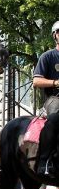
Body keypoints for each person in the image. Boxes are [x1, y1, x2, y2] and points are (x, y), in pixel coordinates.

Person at [33, 20, 59, 176]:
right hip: (54, 99)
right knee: (56, 117)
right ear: (55, 36)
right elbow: (36, 81)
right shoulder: (48, 56)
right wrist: (56, 82)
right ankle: (45, 161)